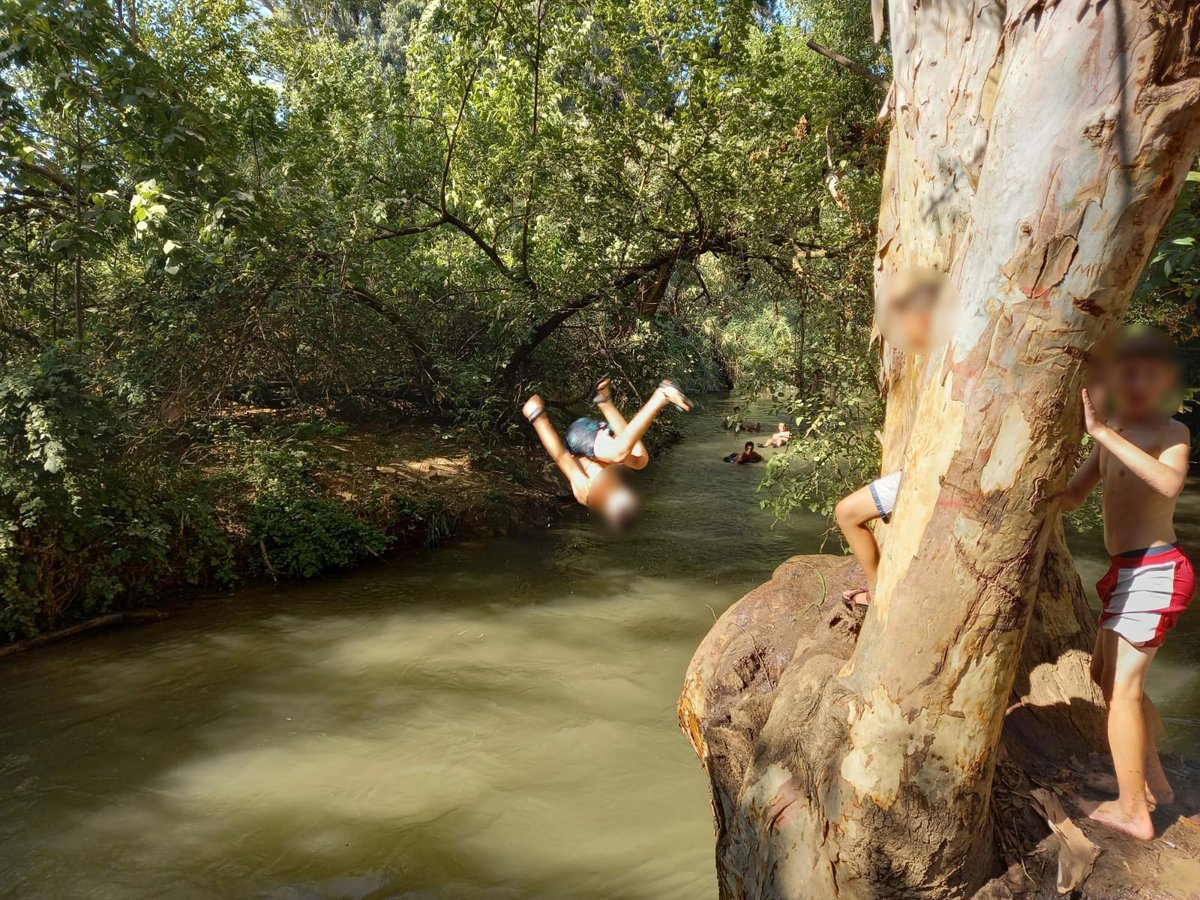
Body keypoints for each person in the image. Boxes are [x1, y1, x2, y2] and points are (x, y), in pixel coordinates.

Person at [1060, 326, 1192, 841]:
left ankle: (1134, 810)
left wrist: (1102, 434)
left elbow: (1168, 482)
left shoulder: (1172, 432)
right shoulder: (1111, 431)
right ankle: (1154, 783)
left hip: (1157, 569)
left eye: (1147, 375)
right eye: (1126, 374)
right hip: (1125, 573)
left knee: (1122, 690)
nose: (1136, 384)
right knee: (1103, 676)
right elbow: (1072, 496)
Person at [835, 269, 946, 607]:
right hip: (930, 471)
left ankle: (876, 590)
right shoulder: (936, 355)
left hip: (935, 475)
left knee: (846, 512)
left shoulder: (941, 356)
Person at [523, 376, 691, 529]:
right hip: (601, 439)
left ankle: (661, 395)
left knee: (619, 454)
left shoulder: (587, 492)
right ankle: (604, 401)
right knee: (640, 460)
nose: (627, 493)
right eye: (631, 499)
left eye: (624, 501)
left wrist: (538, 418)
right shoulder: (620, 495)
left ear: (610, 511)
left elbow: (560, 456)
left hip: (578, 436)